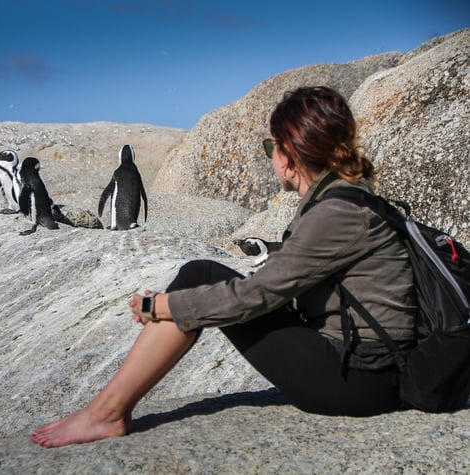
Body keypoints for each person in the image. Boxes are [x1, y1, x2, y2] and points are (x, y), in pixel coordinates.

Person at [30, 86, 418, 448]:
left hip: (362, 377)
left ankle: (107, 413)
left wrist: (161, 307)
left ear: (291, 155)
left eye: (272, 147)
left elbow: (257, 295)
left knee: (201, 274)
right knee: (203, 278)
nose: (271, 158)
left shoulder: (337, 212)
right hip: (367, 364)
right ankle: (108, 410)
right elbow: (285, 280)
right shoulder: (344, 200)